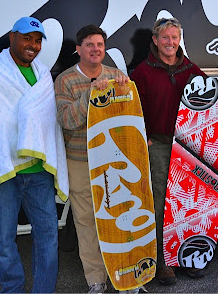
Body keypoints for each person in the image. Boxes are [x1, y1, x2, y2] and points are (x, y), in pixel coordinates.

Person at [0, 16, 69, 293]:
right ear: (12, 37)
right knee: (4, 239)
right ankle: (13, 289)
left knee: (48, 236)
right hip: (2, 170)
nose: (33, 45)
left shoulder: (43, 75)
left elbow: (47, 121)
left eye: (38, 40)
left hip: (39, 172)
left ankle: (44, 290)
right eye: (27, 38)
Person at [55, 25, 141, 294]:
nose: (95, 49)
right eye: (90, 44)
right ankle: (96, 279)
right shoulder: (66, 80)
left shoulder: (116, 76)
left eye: (100, 45)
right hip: (80, 161)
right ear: (78, 49)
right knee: (87, 222)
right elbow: (66, 120)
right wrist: (90, 95)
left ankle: (126, 275)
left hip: (113, 160)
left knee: (120, 217)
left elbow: (129, 116)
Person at [129, 17, 207, 285]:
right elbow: (133, 108)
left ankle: (188, 255)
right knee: (161, 203)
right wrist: (145, 137)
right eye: (165, 37)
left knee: (187, 200)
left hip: (187, 145)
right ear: (155, 40)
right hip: (159, 145)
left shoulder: (190, 69)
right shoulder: (142, 72)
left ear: (179, 40)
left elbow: (213, 95)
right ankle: (164, 260)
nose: (170, 42)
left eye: (174, 37)